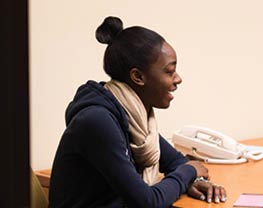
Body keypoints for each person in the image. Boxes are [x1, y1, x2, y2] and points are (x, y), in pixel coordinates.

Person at [49, 16, 227, 207]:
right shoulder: (97, 121)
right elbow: (147, 203)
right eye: (169, 71)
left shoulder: (135, 119)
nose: (178, 79)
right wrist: (189, 173)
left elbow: (176, 162)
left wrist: (195, 181)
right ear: (138, 77)